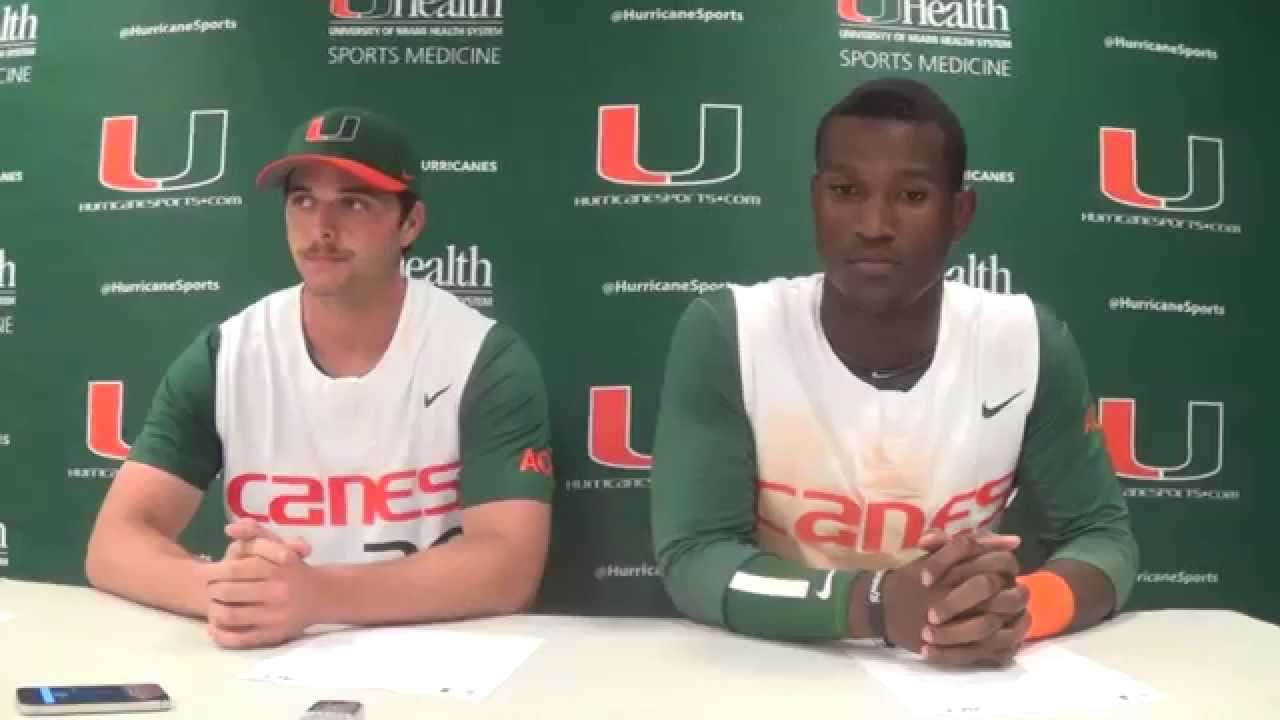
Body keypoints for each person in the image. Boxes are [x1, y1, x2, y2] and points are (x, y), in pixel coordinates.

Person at [650, 78, 1137, 666]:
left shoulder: (1023, 339)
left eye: (911, 196)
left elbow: (1104, 539)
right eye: (846, 190)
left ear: (960, 212)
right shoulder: (734, 333)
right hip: (780, 667)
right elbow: (695, 555)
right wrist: (874, 605)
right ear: (815, 199)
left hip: (957, 685)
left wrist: (1016, 608)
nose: (874, 223)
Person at [86, 107, 554, 649]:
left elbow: (509, 567)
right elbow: (115, 540)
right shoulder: (229, 352)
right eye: (303, 201)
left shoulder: (481, 356)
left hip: (436, 657)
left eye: (354, 203)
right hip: (266, 654)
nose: (322, 228)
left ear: (411, 224)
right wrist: (226, 592)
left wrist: (314, 596)